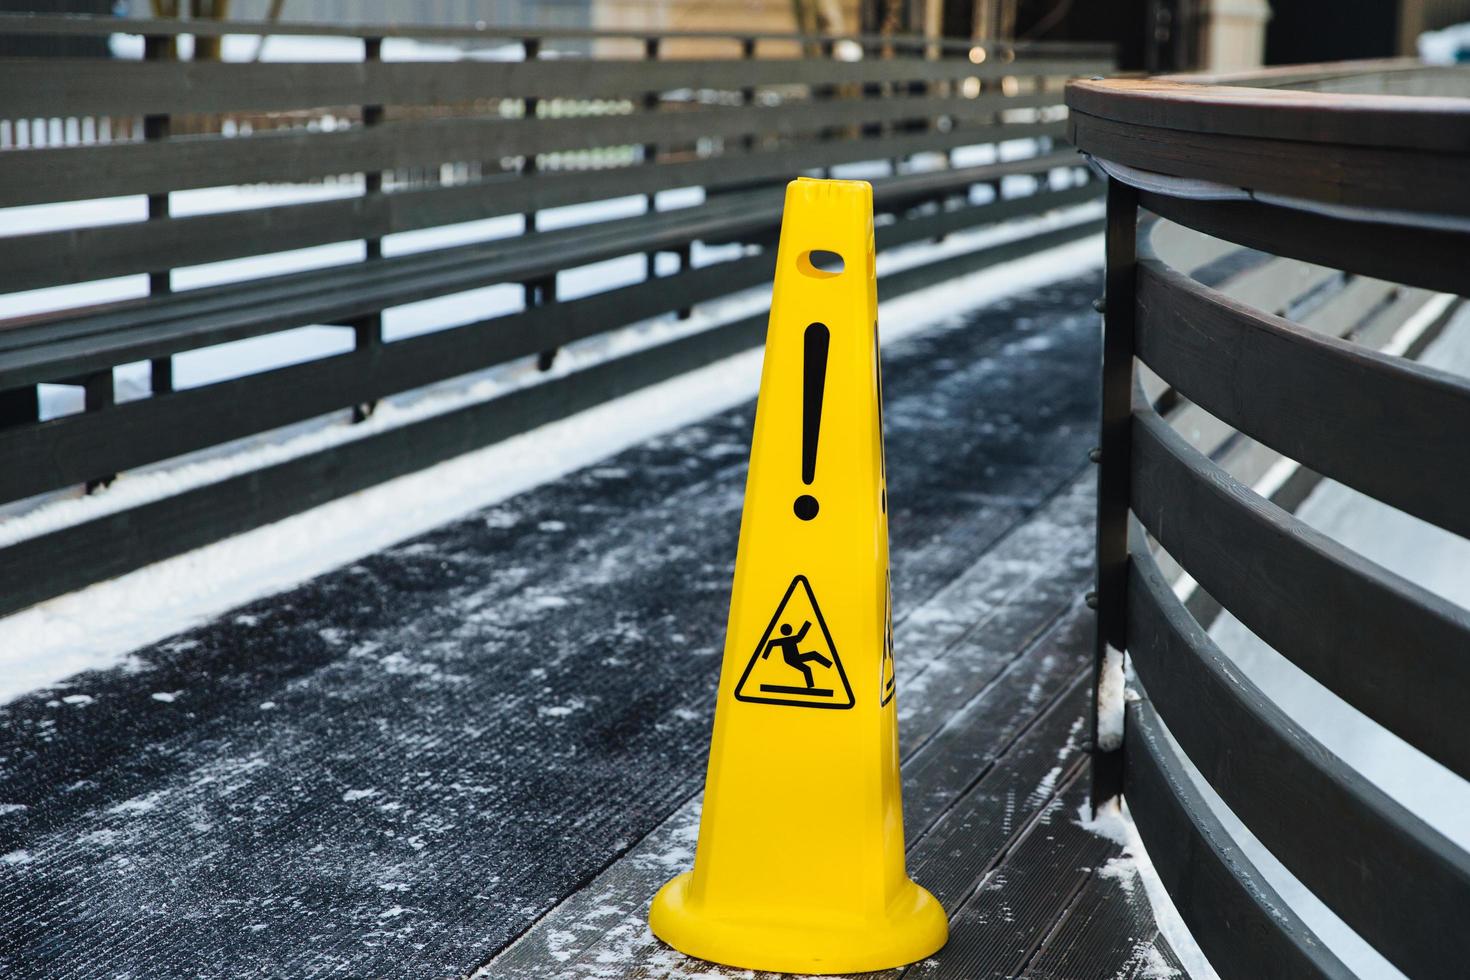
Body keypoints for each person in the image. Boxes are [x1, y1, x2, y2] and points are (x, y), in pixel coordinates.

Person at [761, 621, 831, 690]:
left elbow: (771, 643)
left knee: (807, 668)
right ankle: (830, 666)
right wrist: (764, 657)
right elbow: (771, 643)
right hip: (791, 659)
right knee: (813, 656)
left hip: (795, 658)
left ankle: (811, 686)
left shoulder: (787, 639)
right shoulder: (787, 640)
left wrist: (765, 656)